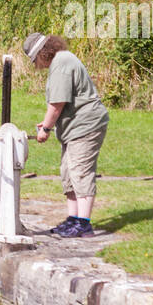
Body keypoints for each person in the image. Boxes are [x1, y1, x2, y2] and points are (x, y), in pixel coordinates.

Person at [23, 32, 109, 238]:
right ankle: (73, 219)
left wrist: (45, 129)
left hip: (85, 126)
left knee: (80, 172)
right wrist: (47, 123)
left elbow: (57, 103)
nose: (38, 65)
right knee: (68, 172)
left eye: (35, 60)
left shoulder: (61, 64)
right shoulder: (62, 61)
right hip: (74, 128)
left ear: (42, 54)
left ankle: (84, 223)